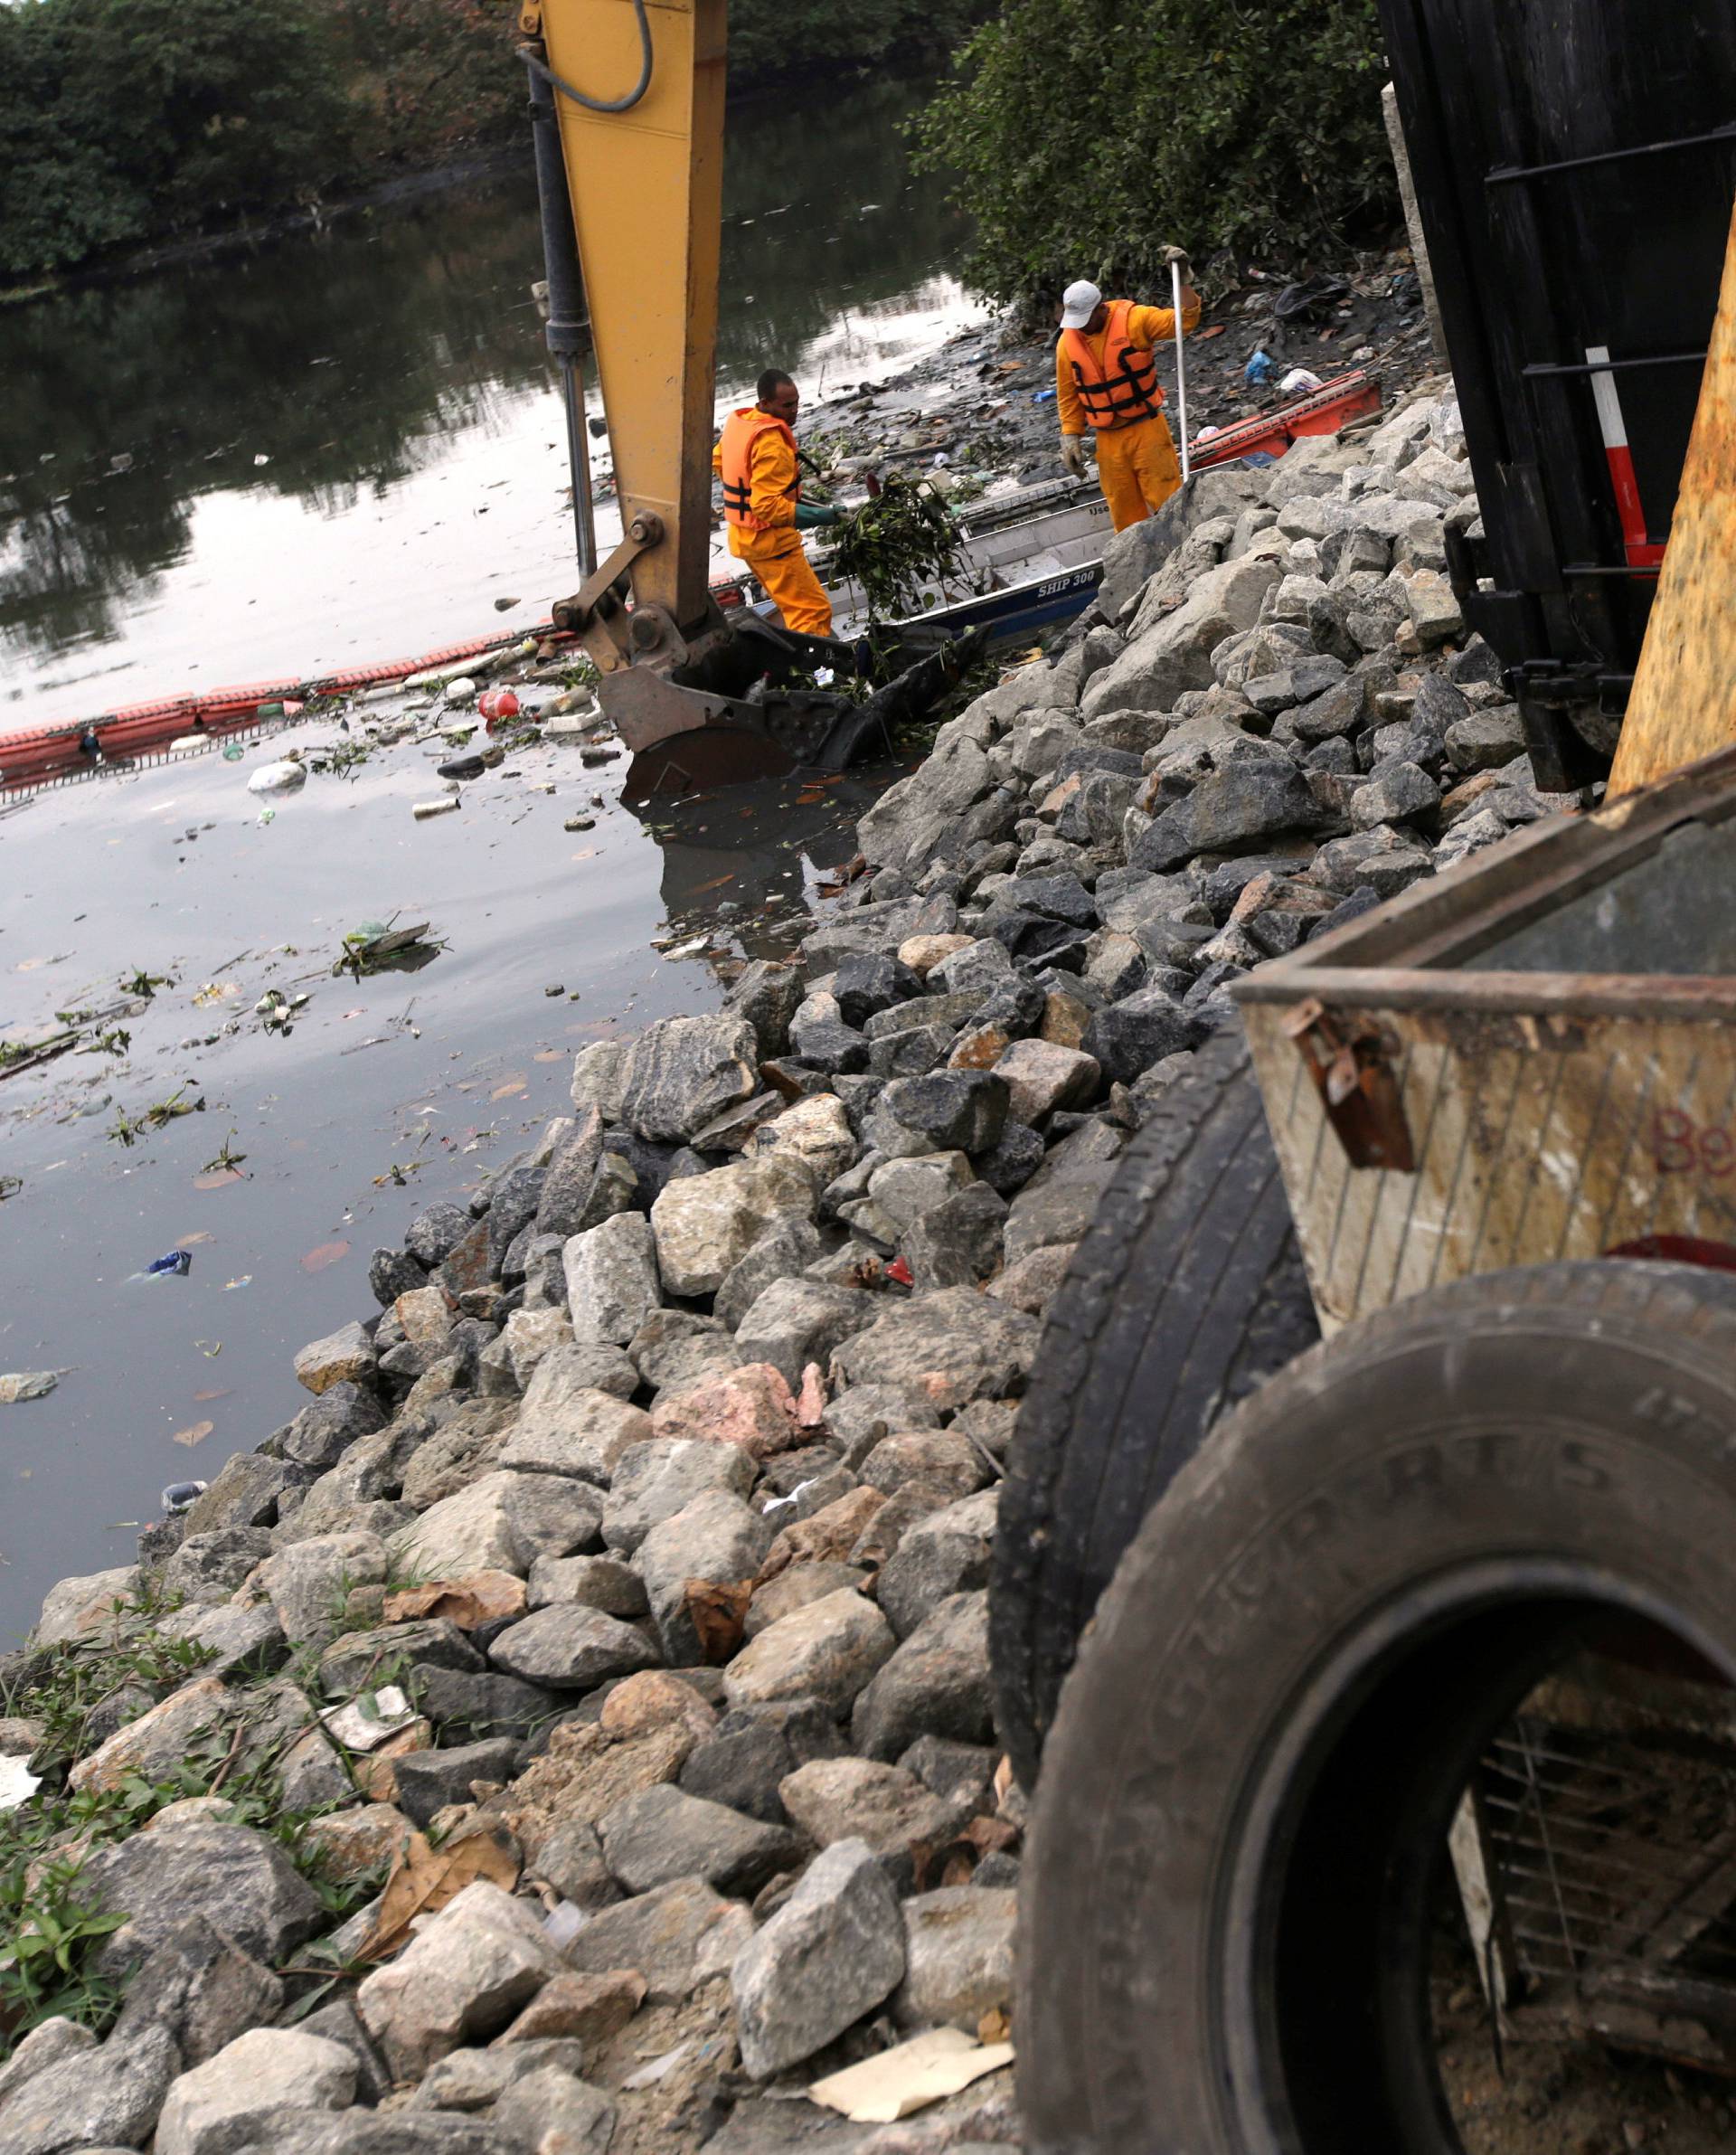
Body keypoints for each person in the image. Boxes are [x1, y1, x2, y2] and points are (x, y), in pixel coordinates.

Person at [1056, 249, 1201, 532]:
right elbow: (1068, 397)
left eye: (1086, 319)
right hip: (1108, 442)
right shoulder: (1067, 343)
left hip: (1146, 428)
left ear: (1101, 308)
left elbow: (1186, 320)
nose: (1081, 327)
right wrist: (1070, 438)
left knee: (1168, 501)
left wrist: (1183, 280)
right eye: (1077, 321)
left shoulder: (1135, 320)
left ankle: (1186, 558)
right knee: (1124, 514)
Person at [713, 369, 839, 638]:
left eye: (796, 403)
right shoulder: (772, 443)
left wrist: (749, 488)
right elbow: (766, 507)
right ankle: (818, 676)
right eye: (787, 405)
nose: (794, 411)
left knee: (791, 609)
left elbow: (718, 459)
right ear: (765, 403)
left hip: (745, 540)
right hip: (772, 543)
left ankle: (807, 668)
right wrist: (823, 517)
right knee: (813, 612)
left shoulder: (745, 423)